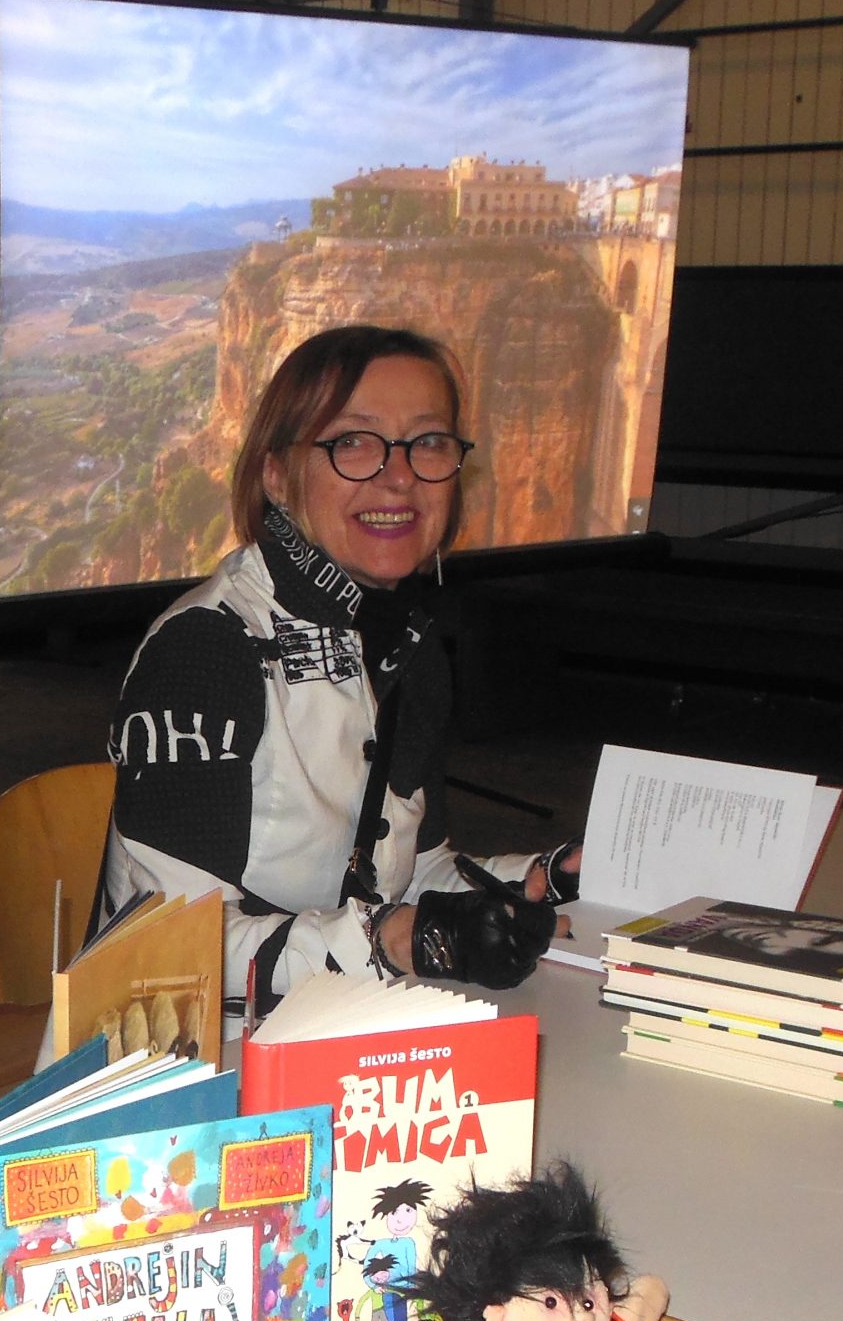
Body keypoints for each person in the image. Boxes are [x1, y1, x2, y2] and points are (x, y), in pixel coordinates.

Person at [97, 324, 578, 1031]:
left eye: (428, 442)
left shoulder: (406, 644)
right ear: (275, 475)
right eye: (353, 441)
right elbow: (163, 953)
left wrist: (542, 880)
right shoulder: (207, 651)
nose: (399, 476)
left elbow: (407, 875)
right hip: (191, 1067)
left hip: (347, 1039)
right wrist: (391, 944)